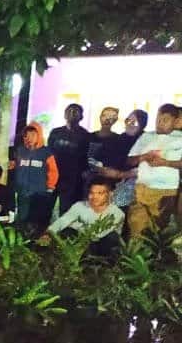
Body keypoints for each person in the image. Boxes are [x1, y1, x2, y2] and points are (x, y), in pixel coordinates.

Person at [126, 104, 182, 238]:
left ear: (176, 121)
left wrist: (166, 163)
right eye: (158, 118)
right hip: (142, 188)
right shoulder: (146, 137)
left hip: (165, 191)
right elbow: (129, 161)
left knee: (158, 231)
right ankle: (136, 257)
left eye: (165, 120)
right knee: (136, 227)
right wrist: (144, 157)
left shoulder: (180, 139)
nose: (160, 123)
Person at [39, 177, 125, 257]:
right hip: (83, 245)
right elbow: (63, 221)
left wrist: (76, 225)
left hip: (102, 247)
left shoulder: (117, 213)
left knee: (112, 237)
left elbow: (98, 234)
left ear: (110, 194)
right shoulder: (79, 206)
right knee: (67, 231)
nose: (95, 197)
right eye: (92, 193)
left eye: (100, 193)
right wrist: (48, 233)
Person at [12, 122, 59, 233]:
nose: (29, 138)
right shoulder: (20, 150)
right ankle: (22, 238)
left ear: (39, 135)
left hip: (39, 192)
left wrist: (50, 187)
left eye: (33, 135)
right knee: (22, 217)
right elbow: (17, 165)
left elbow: (53, 171)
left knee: (36, 219)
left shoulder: (46, 152)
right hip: (22, 192)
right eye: (26, 135)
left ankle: (36, 240)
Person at [48, 103, 92, 214]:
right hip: (53, 176)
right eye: (69, 111)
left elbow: (86, 157)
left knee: (67, 211)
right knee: (45, 208)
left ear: (81, 116)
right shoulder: (55, 132)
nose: (72, 113)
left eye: (76, 111)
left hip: (72, 180)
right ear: (64, 114)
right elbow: (49, 154)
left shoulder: (85, 135)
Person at [100, 109, 147, 212]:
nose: (129, 124)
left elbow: (145, 167)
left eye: (133, 122)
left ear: (142, 125)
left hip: (134, 186)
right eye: (127, 120)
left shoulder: (146, 140)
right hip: (113, 183)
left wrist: (122, 174)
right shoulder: (121, 138)